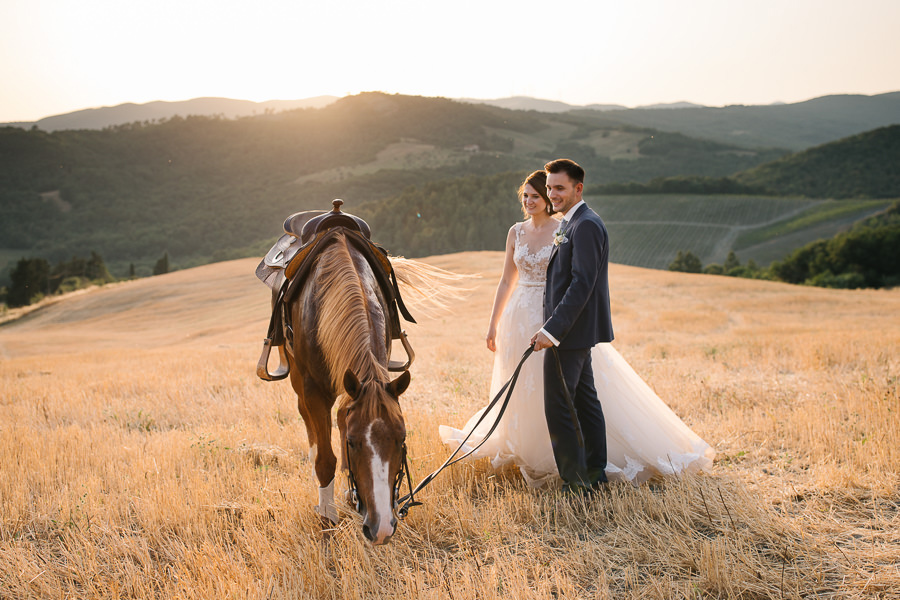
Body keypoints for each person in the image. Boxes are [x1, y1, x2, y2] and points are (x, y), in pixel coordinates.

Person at [440, 162, 714, 489]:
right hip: (554, 326)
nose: (550, 195)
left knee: (559, 407)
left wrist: (551, 329)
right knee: (586, 403)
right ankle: (593, 474)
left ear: (577, 189)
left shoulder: (584, 225)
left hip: (564, 330)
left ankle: (576, 483)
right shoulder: (570, 224)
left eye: (557, 189)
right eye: (548, 189)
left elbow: (582, 284)